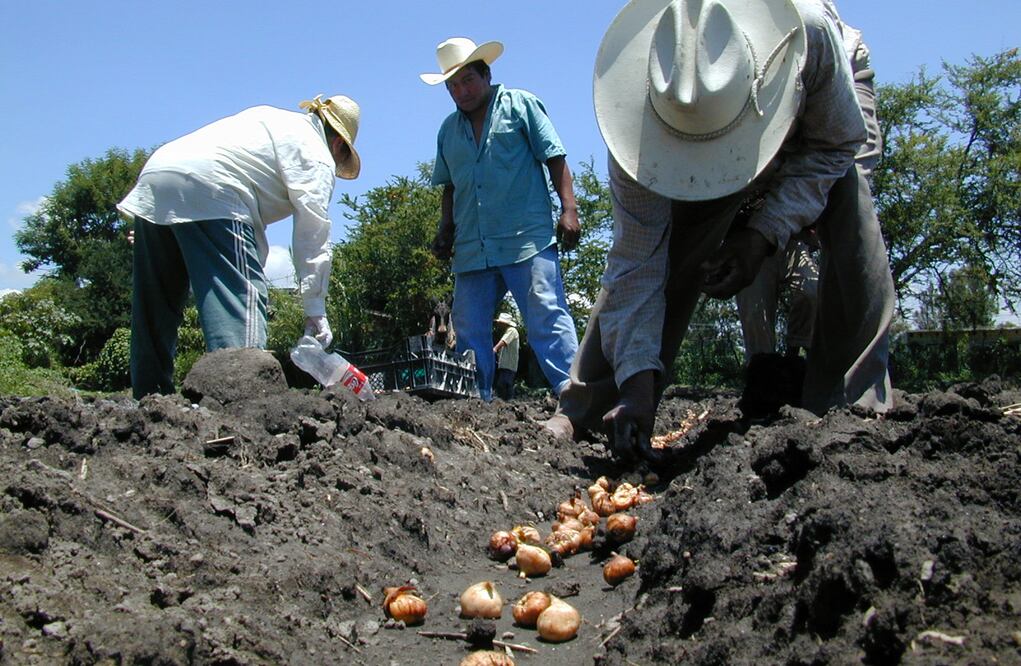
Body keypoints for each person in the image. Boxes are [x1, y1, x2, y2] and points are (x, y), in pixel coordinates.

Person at [545, 0, 896, 462]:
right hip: (717, 117)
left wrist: (764, 231)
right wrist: (636, 383)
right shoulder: (640, 118)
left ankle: (853, 407)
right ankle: (591, 405)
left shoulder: (807, 35)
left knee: (848, 200)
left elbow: (837, 145)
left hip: (823, 98)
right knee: (676, 239)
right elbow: (636, 261)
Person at [118, 95, 362, 399]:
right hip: (214, 187)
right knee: (242, 299)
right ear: (338, 144)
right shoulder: (317, 153)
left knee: (155, 305)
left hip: (157, 176)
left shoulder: (272, 120)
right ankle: (240, 404)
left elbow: (246, 235)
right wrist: (315, 309)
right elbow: (313, 233)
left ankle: (151, 402)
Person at [421, 37, 581, 402]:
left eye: (468, 81)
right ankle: (476, 401)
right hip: (472, 247)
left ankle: (575, 396)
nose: (461, 91)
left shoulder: (520, 105)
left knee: (546, 315)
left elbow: (555, 158)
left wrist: (569, 209)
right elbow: (450, 187)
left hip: (526, 239)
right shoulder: (448, 131)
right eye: (453, 86)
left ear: (486, 75)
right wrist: (445, 229)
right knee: (468, 326)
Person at [735, 17, 882, 365]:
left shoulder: (827, 42)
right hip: (751, 208)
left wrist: (805, 211)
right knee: (752, 296)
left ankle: (814, 366)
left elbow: (848, 151)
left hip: (807, 209)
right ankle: (763, 370)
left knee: (814, 285)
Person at [492, 312, 520, 400]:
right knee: (504, 384)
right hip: (505, 365)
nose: (499, 325)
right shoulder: (508, 331)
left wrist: (495, 348)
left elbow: (504, 341)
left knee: (504, 384)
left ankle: (508, 401)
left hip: (509, 365)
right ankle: (507, 402)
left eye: (500, 323)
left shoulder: (512, 331)